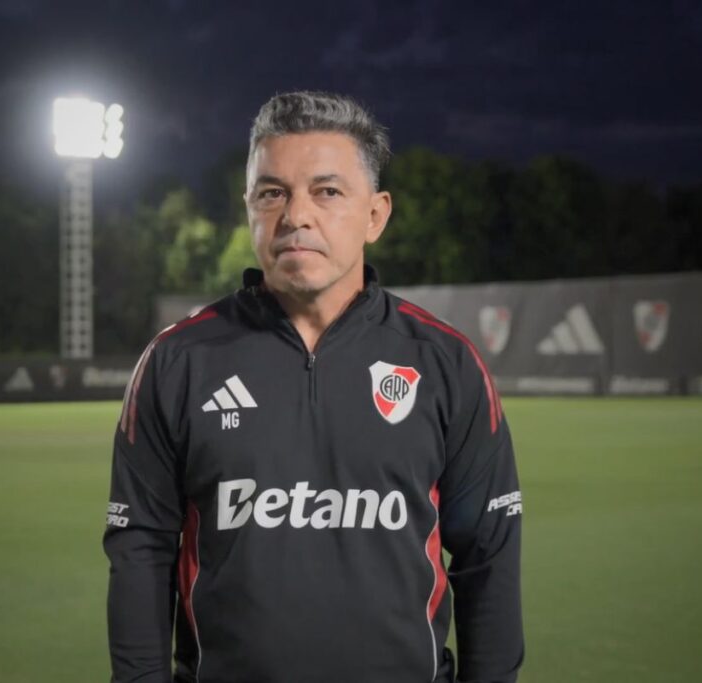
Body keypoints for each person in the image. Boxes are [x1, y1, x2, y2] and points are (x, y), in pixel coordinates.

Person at [104, 91, 523, 683]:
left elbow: (488, 556)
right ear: (248, 208)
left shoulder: (446, 363)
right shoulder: (177, 362)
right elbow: (140, 551)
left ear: (375, 215)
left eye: (326, 191)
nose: (296, 215)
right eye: (272, 193)